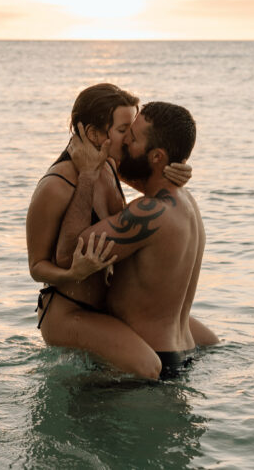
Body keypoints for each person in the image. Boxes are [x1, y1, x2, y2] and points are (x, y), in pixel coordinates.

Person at [26, 84, 215, 379]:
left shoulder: (112, 169)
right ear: (93, 133)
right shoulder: (56, 186)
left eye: (132, 134)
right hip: (71, 309)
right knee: (150, 368)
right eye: (123, 130)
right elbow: (55, 261)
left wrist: (172, 170)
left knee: (211, 342)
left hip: (112, 318)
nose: (127, 140)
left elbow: (146, 177)